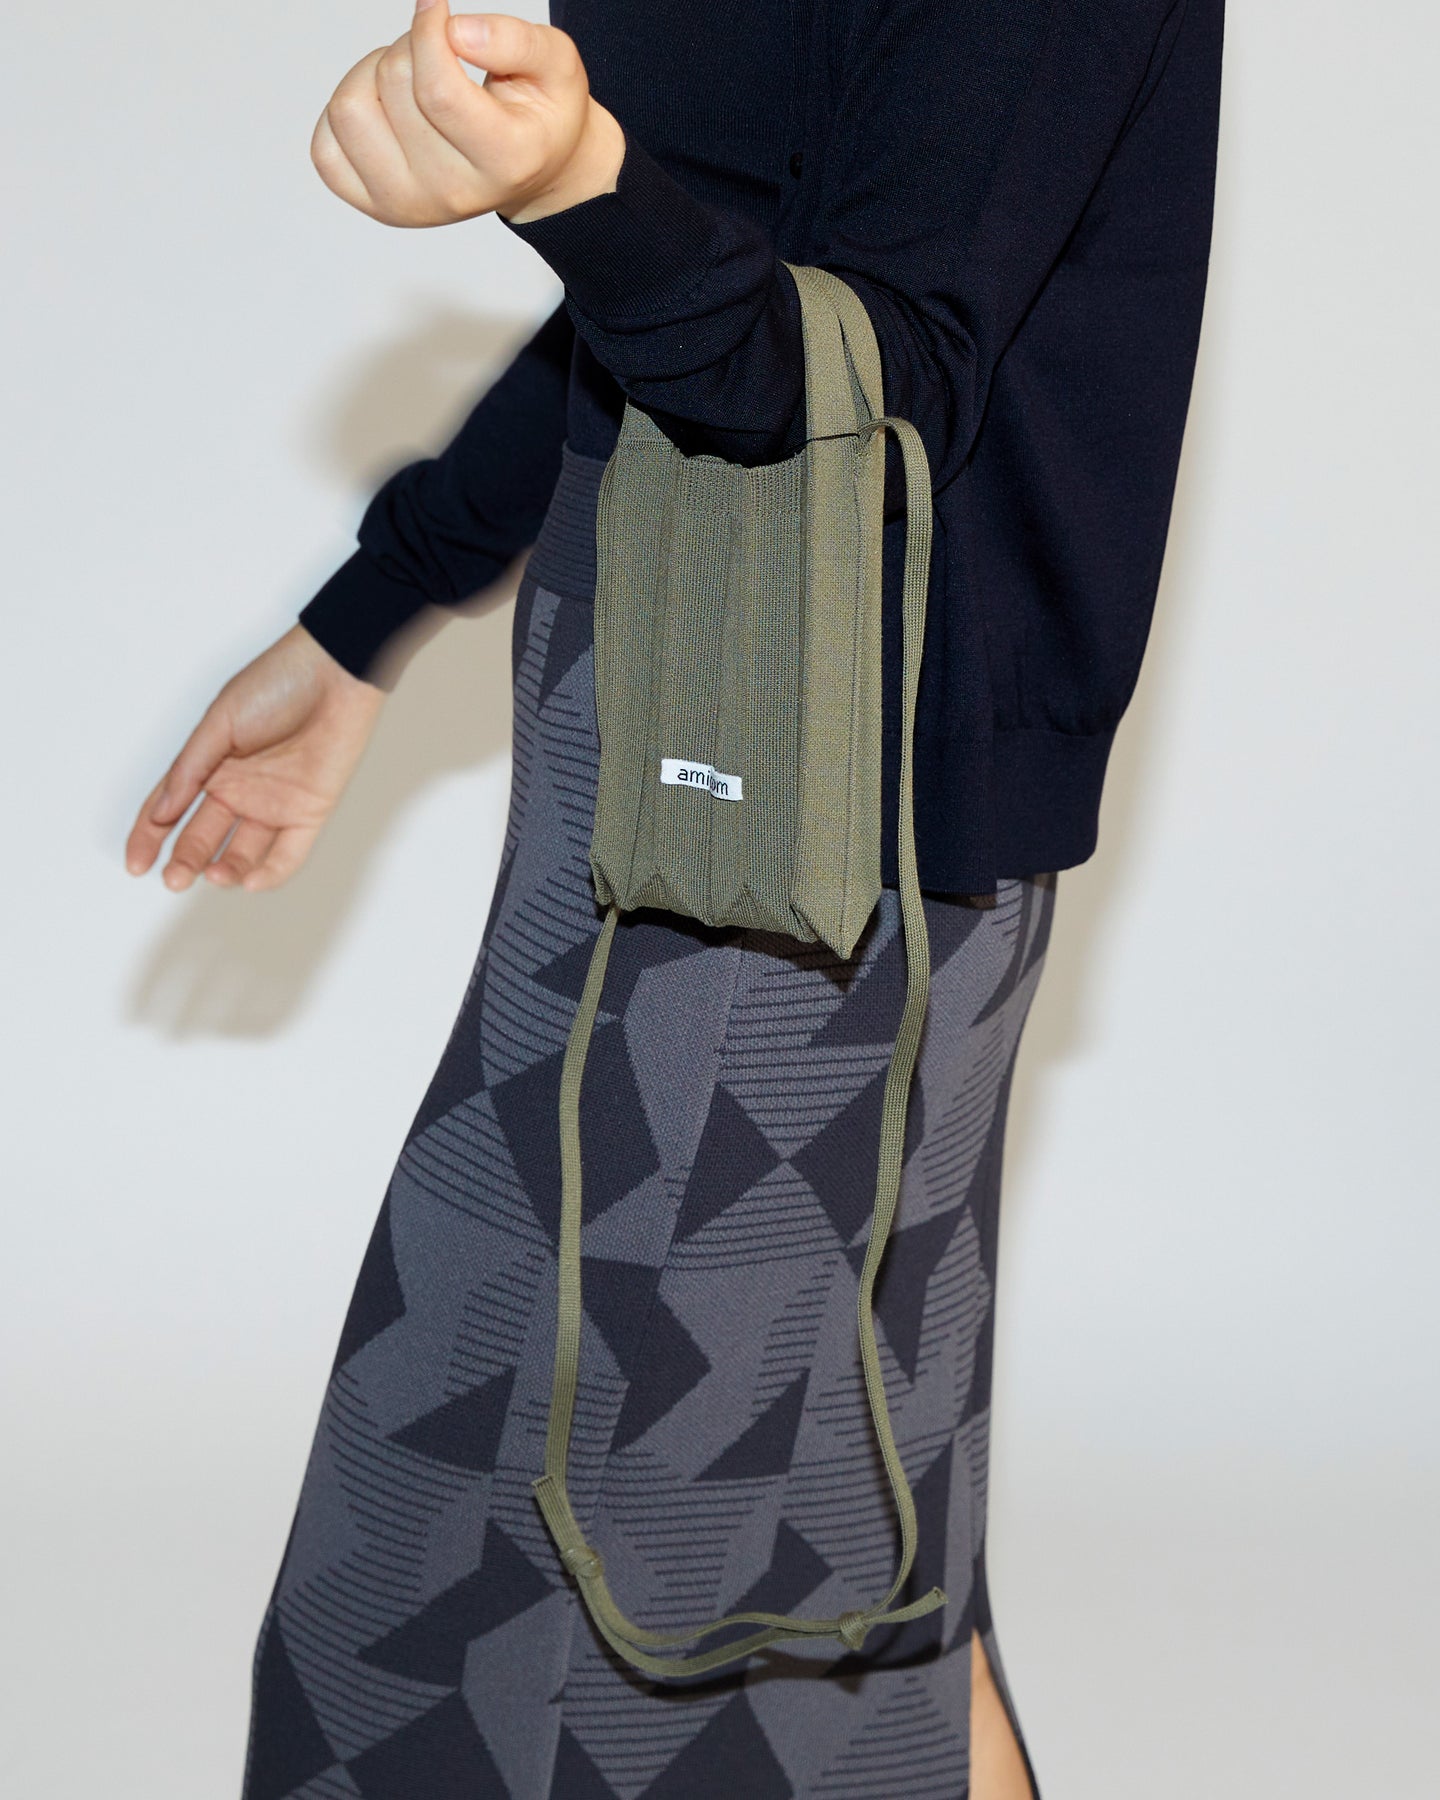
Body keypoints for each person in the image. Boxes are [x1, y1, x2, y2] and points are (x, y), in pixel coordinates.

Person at [124, 1, 1223, 1793]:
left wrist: (573, 174)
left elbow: (873, 381)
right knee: (795, 1542)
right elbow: (691, 283)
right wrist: (371, 613)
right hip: (641, 703)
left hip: (841, 790)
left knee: (642, 1590)